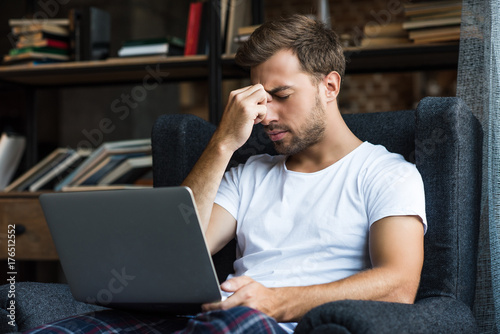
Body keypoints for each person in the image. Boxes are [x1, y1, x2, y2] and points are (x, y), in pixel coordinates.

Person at [24, 14, 426, 334]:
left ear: (330, 86)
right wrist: (222, 144)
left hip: (279, 324)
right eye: (257, 99)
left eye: (281, 96)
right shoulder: (249, 173)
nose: (265, 114)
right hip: (211, 321)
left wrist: (276, 300)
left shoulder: (387, 175)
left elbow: (398, 284)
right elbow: (173, 251)